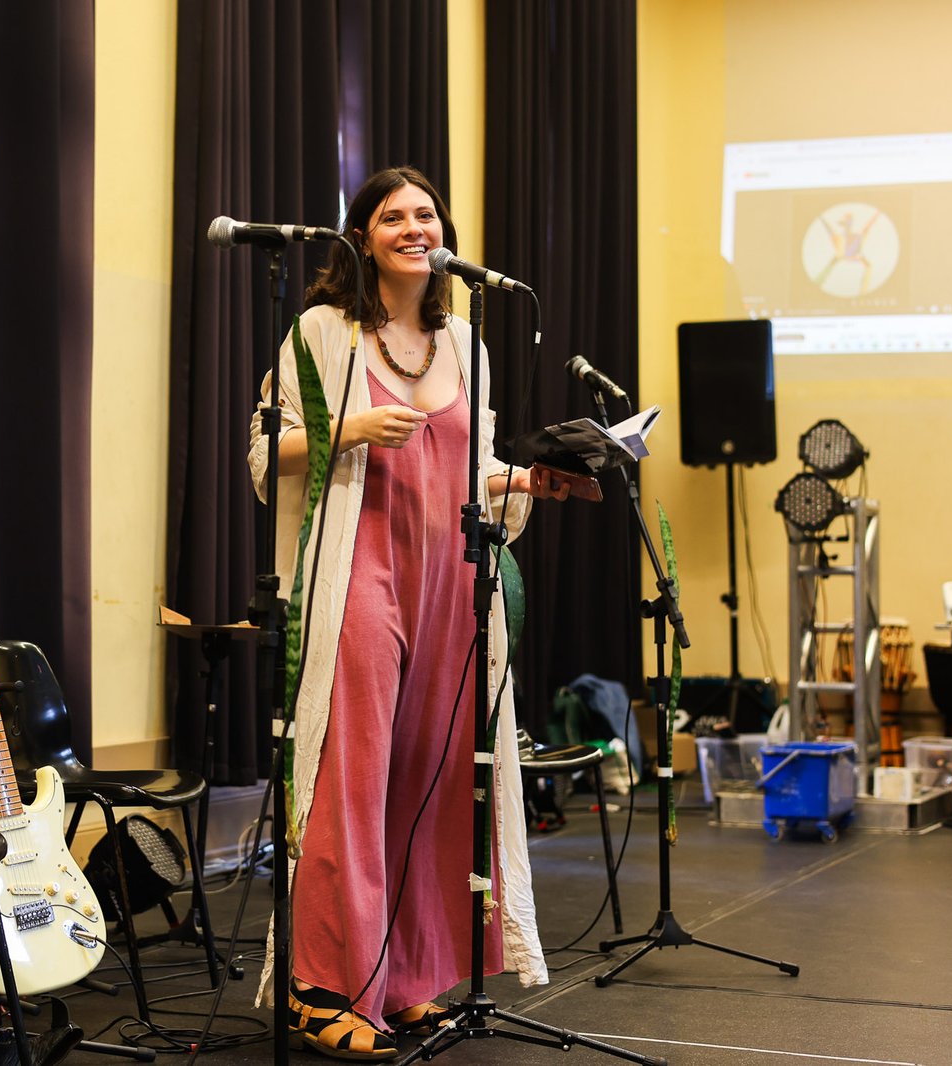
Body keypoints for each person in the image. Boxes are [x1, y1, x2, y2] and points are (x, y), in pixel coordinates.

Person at [248, 166, 568, 1060]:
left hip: (448, 586)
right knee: (352, 781)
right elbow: (263, 450)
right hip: (360, 576)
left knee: (430, 781)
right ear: (362, 236)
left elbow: (471, 466)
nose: (415, 227)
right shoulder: (323, 331)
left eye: (426, 214)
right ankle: (322, 987)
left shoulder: (466, 342)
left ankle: (404, 979)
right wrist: (350, 429)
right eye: (393, 216)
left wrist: (528, 480)